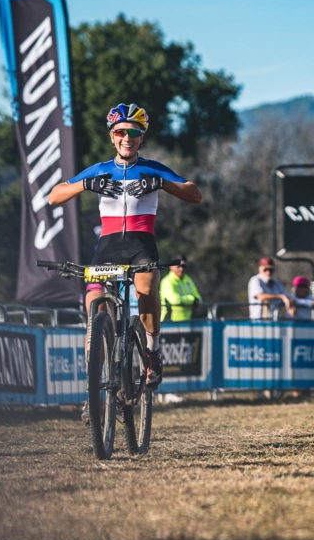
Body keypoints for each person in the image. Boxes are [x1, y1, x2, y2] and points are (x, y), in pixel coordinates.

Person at [47, 103, 203, 389]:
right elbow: (53, 197)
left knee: (146, 293)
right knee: (95, 309)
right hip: (106, 248)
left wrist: (160, 183)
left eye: (133, 132)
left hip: (141, 244)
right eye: (120, 132)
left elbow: (195, 195)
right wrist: (86, 185)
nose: (127, 138)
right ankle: (93, 391)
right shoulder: (101, 170)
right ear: (112, 136)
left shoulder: (151, 168)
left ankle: (153, 351)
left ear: (141, 137)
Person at [159, 254, 202, 322]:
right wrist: (192, 300)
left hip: (186, 321)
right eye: (178, 266)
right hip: (170, 322)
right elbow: (175, 300)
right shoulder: (167, 281)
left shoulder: (188, 279)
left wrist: (196, 299)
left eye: (184, 266)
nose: (181, 269)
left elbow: (197, 295)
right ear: (171, 267)